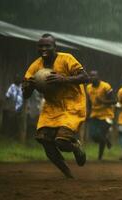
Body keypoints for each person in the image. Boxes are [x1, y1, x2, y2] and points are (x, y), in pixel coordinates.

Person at [22, 33, 88, 178]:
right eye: (41, 46)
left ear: (55, 47)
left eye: (47, 46)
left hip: (73, 104)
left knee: (62, 142)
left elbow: (85, 77)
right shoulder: (35, 66)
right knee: (44, 139)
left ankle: (75, 146)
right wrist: (30, 86)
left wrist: (63, 79)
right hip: (51, 106)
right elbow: (25, 94)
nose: (44, 49)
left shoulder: (67, 59)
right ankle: (68, 174)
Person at [86, 70, 115, 160]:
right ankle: (106, 140)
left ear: (98, 77)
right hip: (94, 114)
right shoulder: (88, 88)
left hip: (106, 115)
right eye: (91, 76)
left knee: (100, 134)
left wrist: (103, 101)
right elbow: (89, 102)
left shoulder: (106, 86)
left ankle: (100, 157)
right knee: (93, 136)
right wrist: (87, 113)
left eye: (94, 76)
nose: (92, 78)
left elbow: (114, 100)